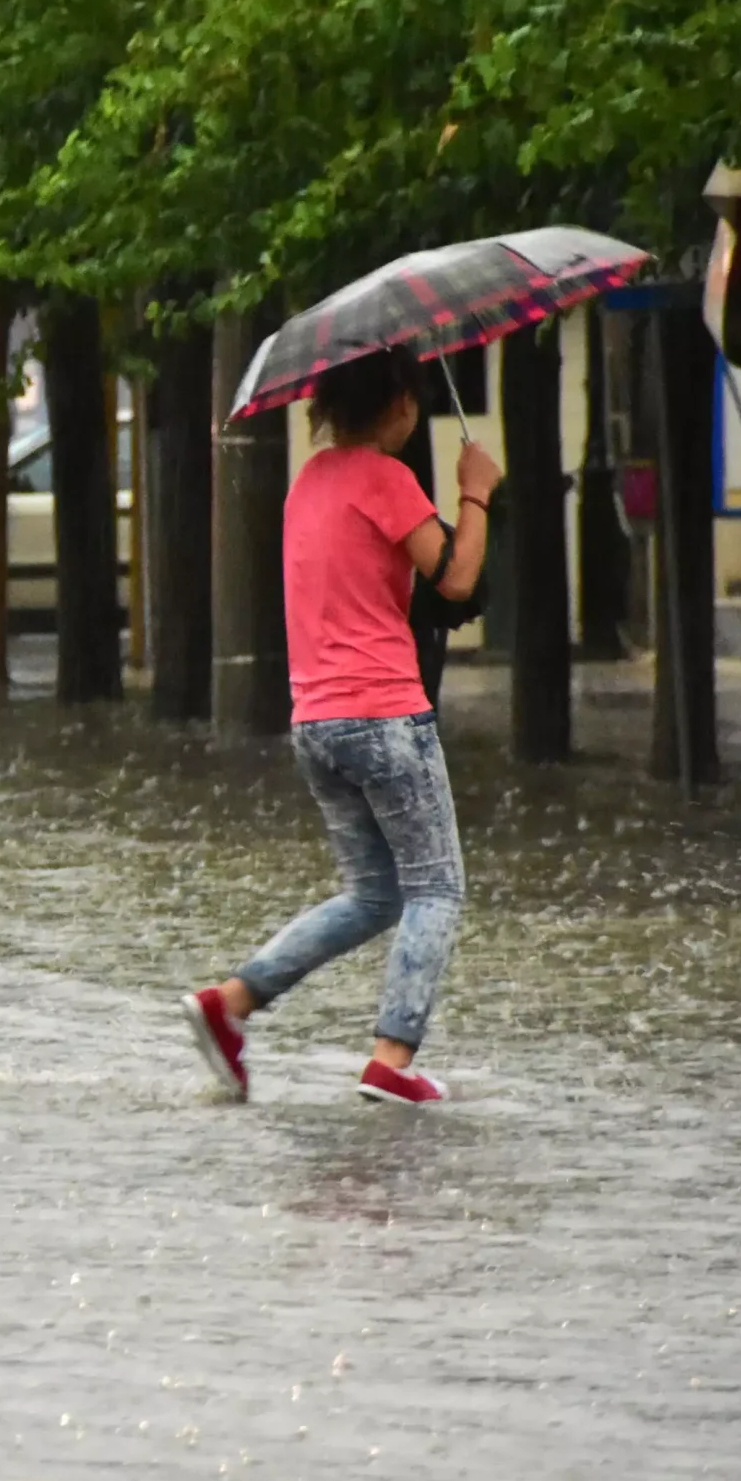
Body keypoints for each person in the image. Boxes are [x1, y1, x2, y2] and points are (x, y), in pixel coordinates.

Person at [182, 345, 503, 1106]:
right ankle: (392, 1058)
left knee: (373, 894)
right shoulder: (386, 479)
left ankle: (230, 1003)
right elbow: (457, 577)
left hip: (316, 722)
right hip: (385, 713)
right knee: (437, 888)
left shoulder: (309, 483)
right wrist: (477, 493)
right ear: (400, 404)